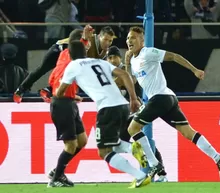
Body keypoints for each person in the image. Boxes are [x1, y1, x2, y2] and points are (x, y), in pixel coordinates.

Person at [125, 26, 220, 180]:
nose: (129, 41)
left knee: (133, 128)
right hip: (168, 98)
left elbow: (173, 56)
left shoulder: (148, 52)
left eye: (133, 38)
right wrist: (127, 63)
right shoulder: (133, 60)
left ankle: (154, 164)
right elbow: (132, 81)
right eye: (127, 38)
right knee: (188, 132)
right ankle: (218, 158)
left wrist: (194, 70)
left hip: (160, 97)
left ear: (141, 40)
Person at [56, 41, 151, 188]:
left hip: (107, 108)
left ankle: (139, 174)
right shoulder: (100, 62)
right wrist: (133, 98)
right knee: (113, 145)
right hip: (122, 105)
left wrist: (65, 95)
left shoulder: (73, 66)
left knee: (103, 151)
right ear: (85, 52)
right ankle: (128, 147)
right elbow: (125, 74)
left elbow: (60, 92)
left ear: (70, 54)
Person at [106, 46, 169, 181]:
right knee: (125, 146)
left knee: (137, 143)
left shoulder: (125, 69)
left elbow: (132, 80)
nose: (112, 60)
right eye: (109, 58)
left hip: (136, 113)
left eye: (114, 57)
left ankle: (158, 172)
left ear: (120, 57)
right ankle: (156, 168)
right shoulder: (109, 73)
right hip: (124, 117)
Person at [13, 25, 116, 103]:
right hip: (58, 50)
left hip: (67, 55)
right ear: (99, 36)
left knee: (73, 73)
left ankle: (48, 89)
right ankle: (21, 89)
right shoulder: (90, 40)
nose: (107, 43)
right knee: (42, 70)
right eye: (105, 39)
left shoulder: (103, 50)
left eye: (110, 41)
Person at [46, 29, 93, 187]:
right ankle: (56, 178)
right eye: (85, 45)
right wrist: (85, 40)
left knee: (82, 141)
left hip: (68, 101)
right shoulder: (72, 59)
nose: (87, 48)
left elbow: (52, 78)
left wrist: (71, 93)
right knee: (71, 145)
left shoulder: (64, 55)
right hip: (62, 104)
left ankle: (57, 172)